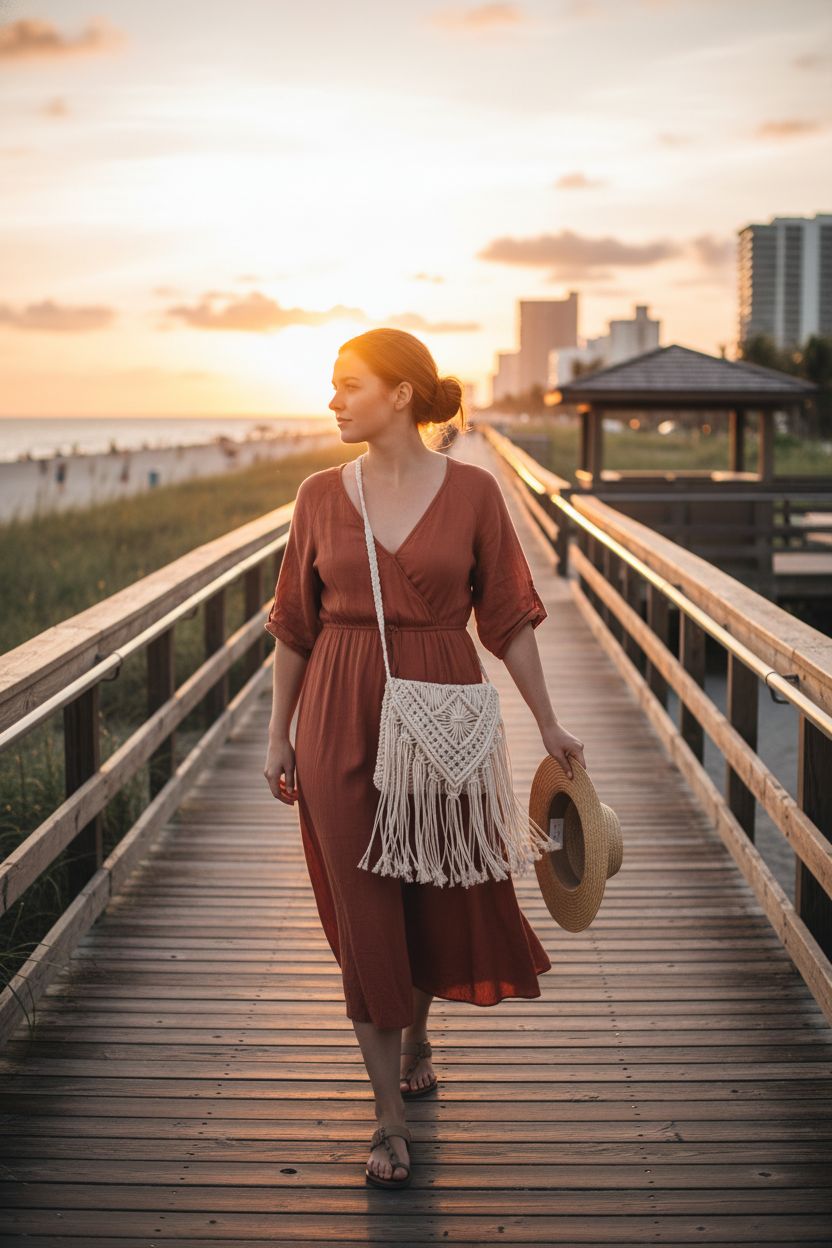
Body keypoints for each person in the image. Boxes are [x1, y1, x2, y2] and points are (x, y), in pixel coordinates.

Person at [263, 328, 586, 1188]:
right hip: (340, 713)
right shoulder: (317, 495)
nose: (333, 400)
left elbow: (508, 618)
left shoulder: (476, 492)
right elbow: (293, 627)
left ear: (400, 395)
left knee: (432, 893)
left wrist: (549, 724)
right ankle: (388, 1121)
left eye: (348, 385)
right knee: (366, 911)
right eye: (332, 386)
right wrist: (276, 732)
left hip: (445, 707)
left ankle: (418, 1032)